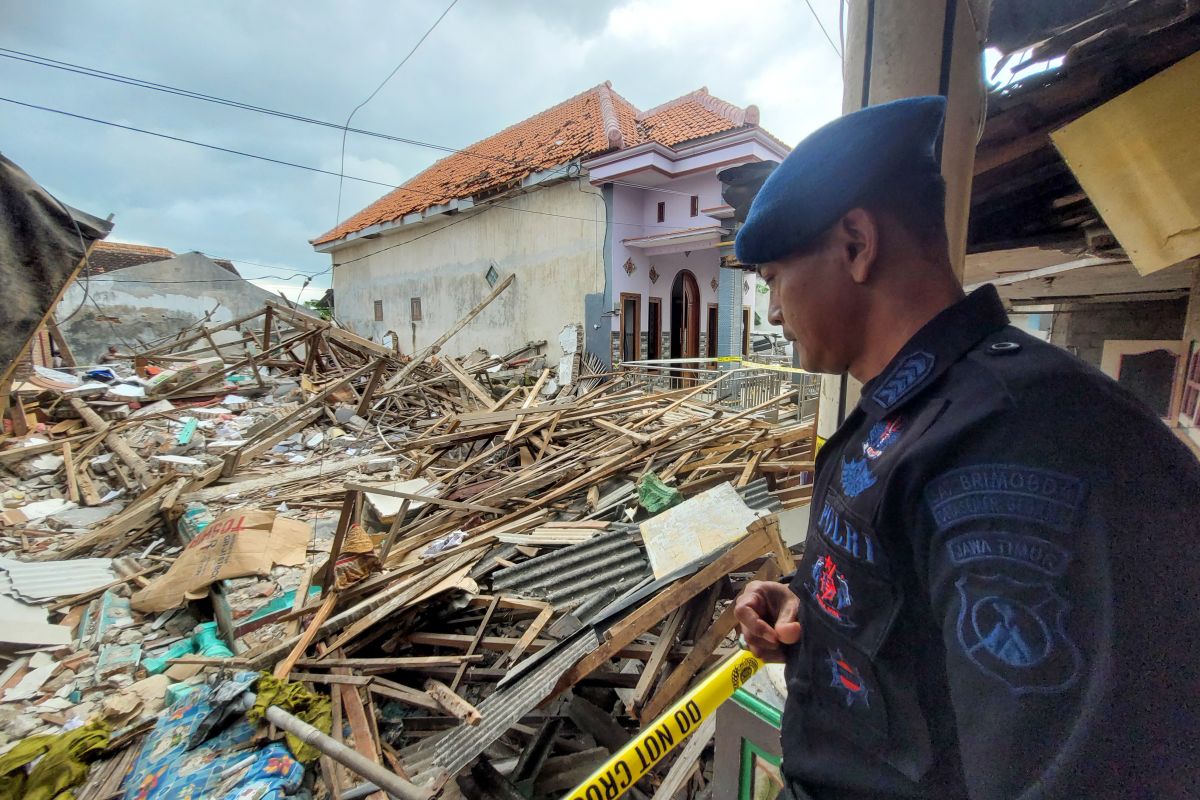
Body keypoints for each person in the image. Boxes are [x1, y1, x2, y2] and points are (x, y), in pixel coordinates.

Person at [731, 96, 1200, 799]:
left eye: (771, 279)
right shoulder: (913, 411)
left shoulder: (1027, 437)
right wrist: (809, 606)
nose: (770, 311)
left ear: (856, 244)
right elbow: (918, 618)